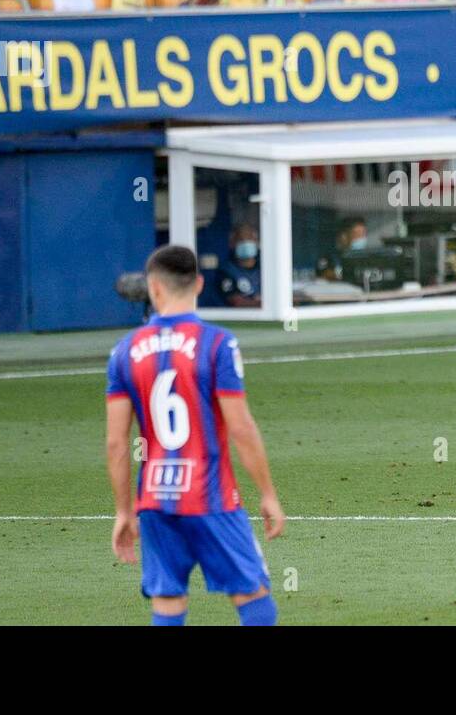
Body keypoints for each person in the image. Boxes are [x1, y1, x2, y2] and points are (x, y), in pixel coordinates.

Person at [105, 244, 283, 627]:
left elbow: (117, 442)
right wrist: (267, 494)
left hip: (154, 499)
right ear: (199, 284)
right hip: (211, 496)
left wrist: (124, 510)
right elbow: (241, 426)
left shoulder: (124, 351)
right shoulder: (217, 343)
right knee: (252, 593)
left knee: (168, 600)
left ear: (153, 288)